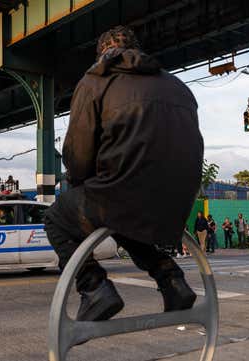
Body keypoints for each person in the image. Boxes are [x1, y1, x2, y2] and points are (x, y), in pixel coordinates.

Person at [44, 26, 203, 322]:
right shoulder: (180, 87)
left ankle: (94, 289)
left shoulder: (96, 80)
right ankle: (172, 280)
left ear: (102, 52)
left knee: (56, 218)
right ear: (136, 49)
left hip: (121, 193)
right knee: (120, 216)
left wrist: (81, 182)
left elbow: (78, 159)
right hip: (178, 204)